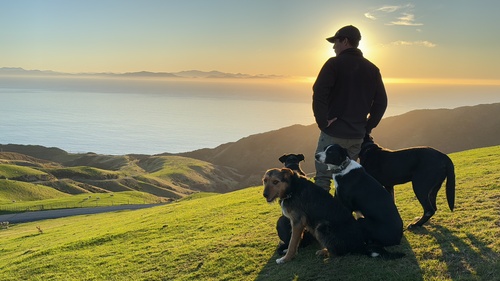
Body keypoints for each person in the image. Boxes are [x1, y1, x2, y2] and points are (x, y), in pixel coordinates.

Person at [312, 25, 388, 191]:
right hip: (356, 137)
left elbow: (319, 92)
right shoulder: (373, 69)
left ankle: (321, 217)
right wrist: (367, 127)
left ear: (345, 41)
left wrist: (322, 122)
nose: (333, 46)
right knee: (346, 180)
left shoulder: (334, 64)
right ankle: (343, 216)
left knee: (323, 180)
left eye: (336, 41)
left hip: (333, 134)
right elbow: (381, 103)